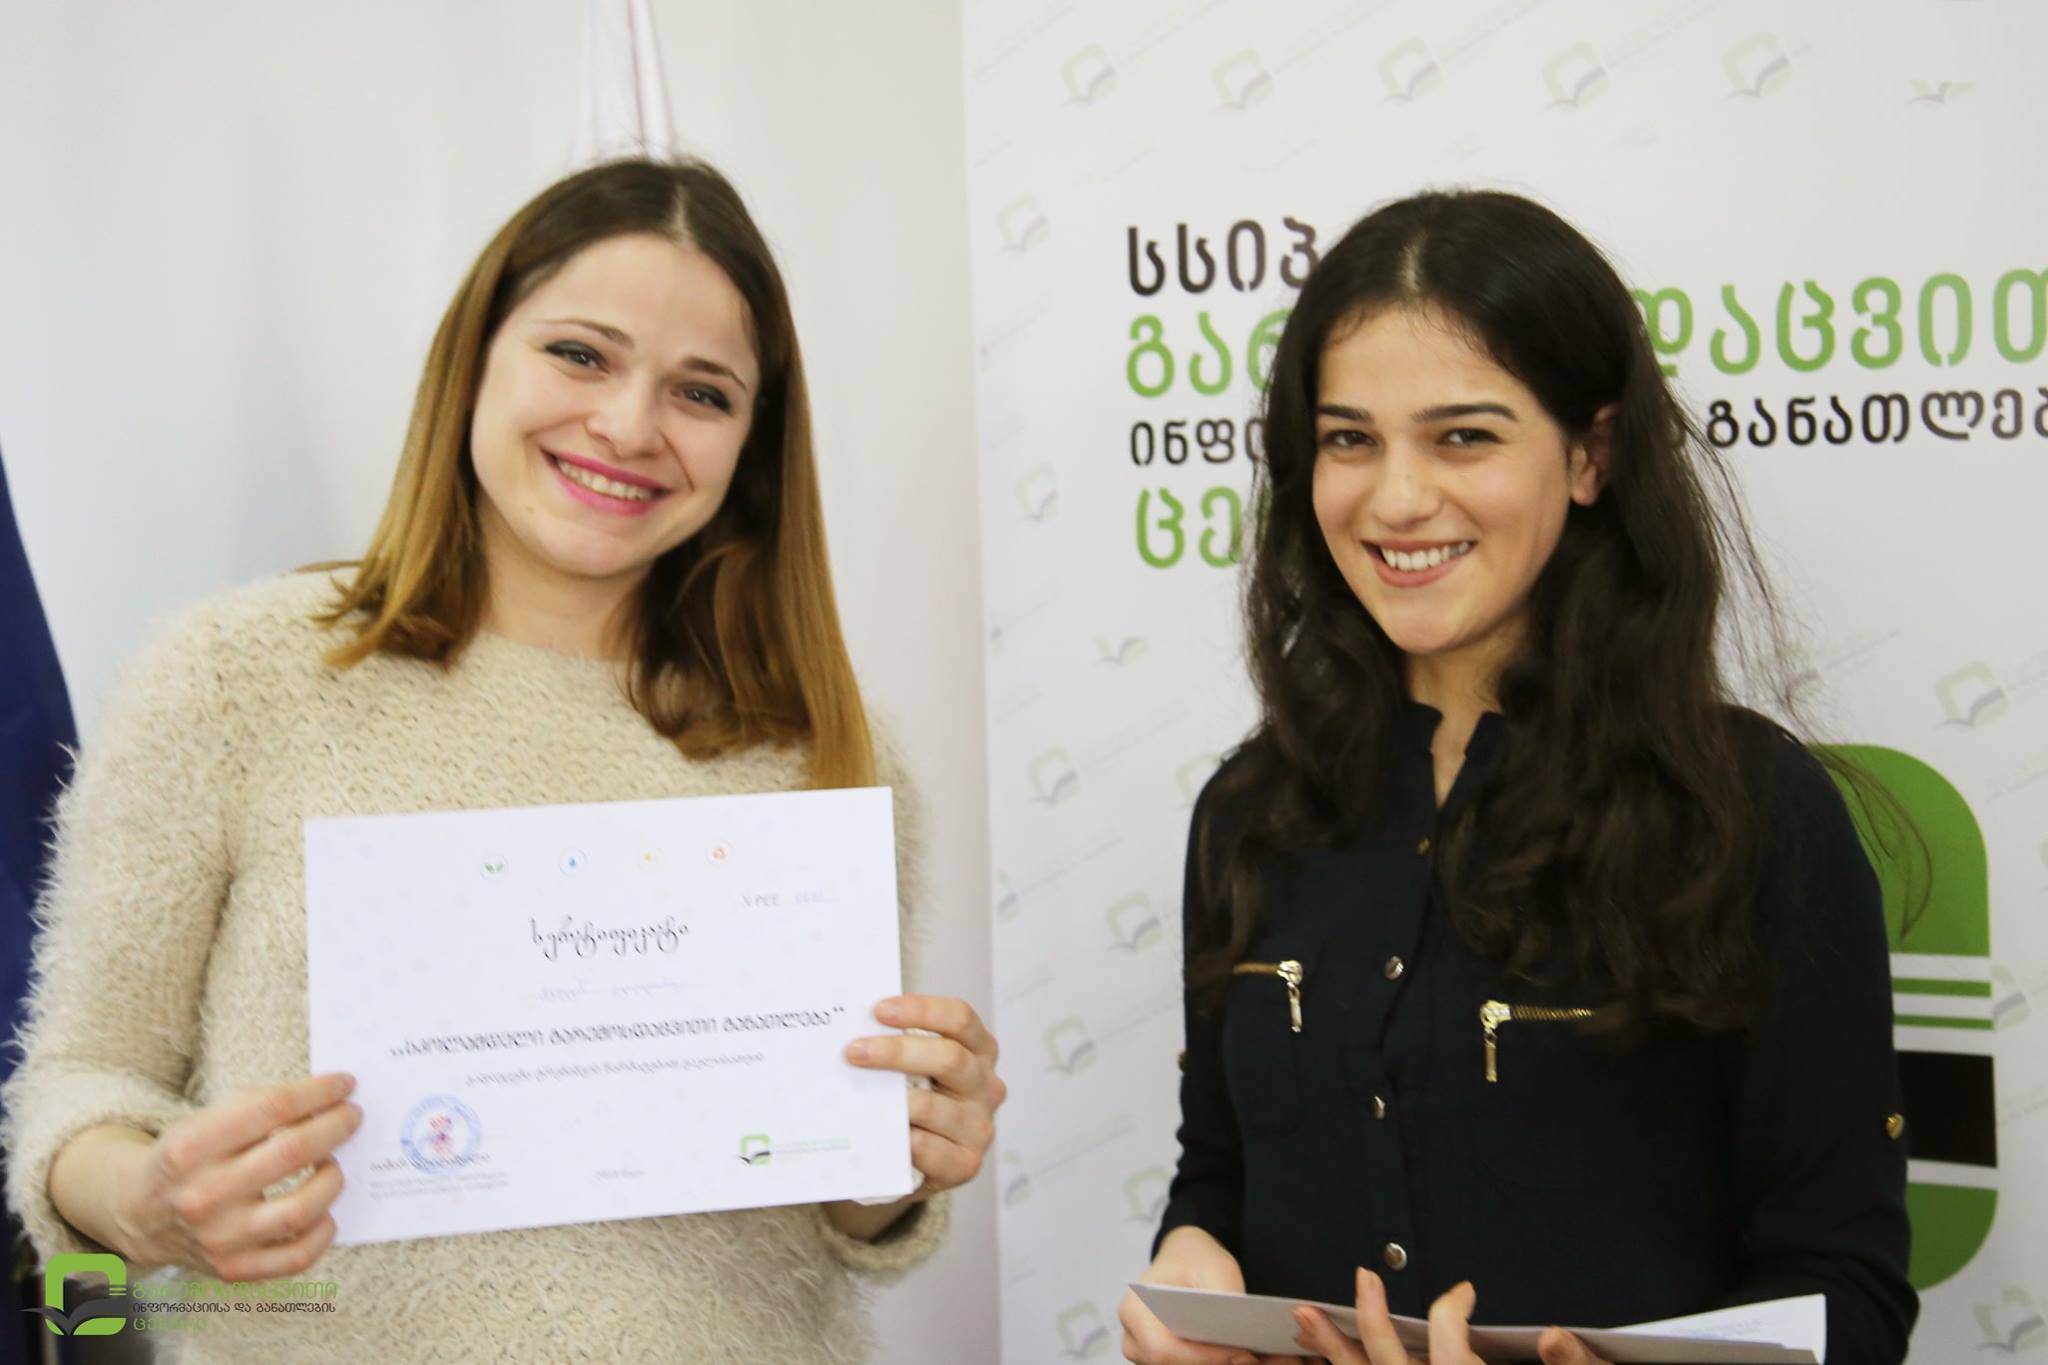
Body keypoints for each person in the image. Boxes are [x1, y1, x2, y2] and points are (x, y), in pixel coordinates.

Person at [2, 156, 1004, 1364]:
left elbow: (846, 1199)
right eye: (580, 355)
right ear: (472, 359)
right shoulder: (230, 679)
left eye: (701, 392)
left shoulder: (826, 749)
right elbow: (81, 1082)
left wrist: (901, 1161)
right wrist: (142, 1200)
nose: (627, 426)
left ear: (754, 442)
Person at [1118, 190, 1914, 1365]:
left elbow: (1845, 1291)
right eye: (1348, 439)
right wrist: (1189, 1260)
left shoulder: (1746, 812)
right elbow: (1217, 1174)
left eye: (1462, 437)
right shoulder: (1248, 811)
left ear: (1589, 455)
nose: (1395, 499)